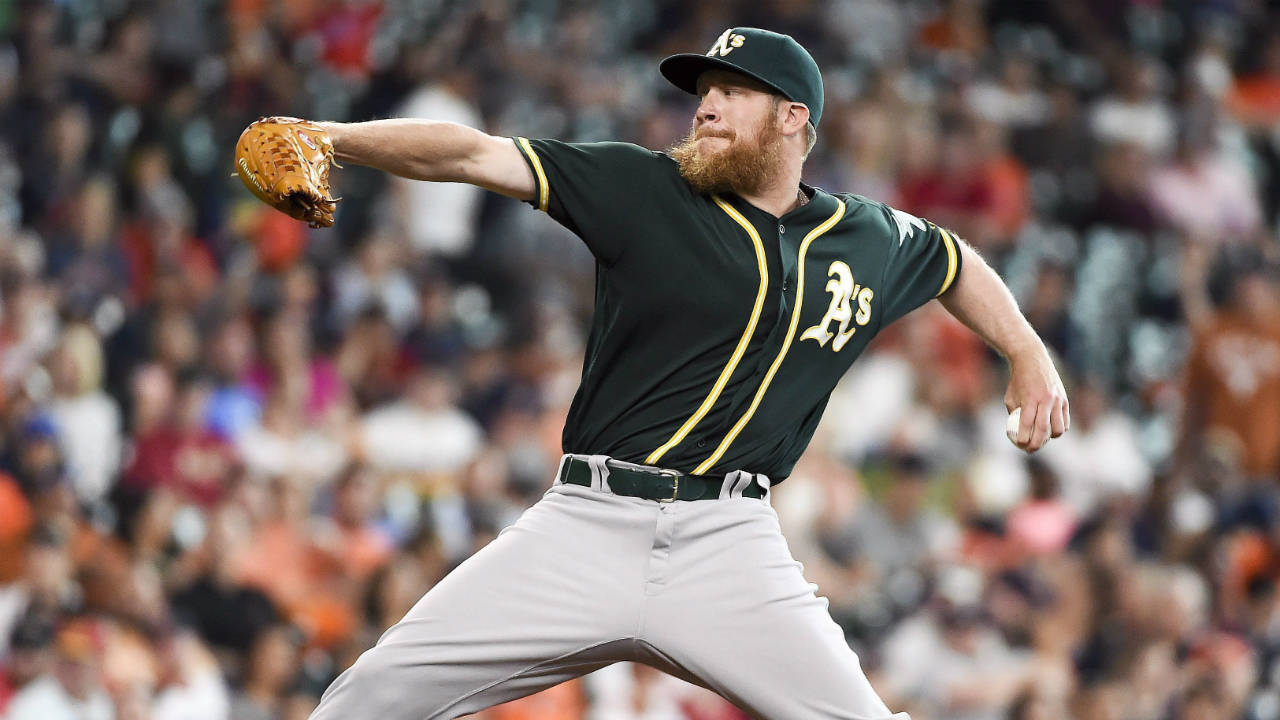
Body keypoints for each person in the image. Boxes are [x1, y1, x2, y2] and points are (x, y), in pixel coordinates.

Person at [279, 27, 1068, 720]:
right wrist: (327, 137)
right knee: (370, 696)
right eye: (703, 93)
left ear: (794, 118)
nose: (706, 107)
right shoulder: (643, 187)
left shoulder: (862, 237)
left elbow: (954, 261)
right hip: (586, 523)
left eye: (733, 92)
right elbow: (473, 152)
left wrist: (1027, 349)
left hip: (729, 543)